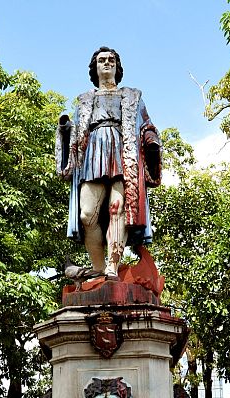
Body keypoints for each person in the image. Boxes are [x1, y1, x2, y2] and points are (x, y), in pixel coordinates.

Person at [57, 47, 161, 280]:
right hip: (93, 152)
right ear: (94, 68)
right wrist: (65, 130)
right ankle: (98, 266)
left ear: (117, 66)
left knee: (117, 209)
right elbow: (73, 134)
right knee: (87, 214)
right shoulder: (85, 100)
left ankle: (113, 266)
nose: (107, 63)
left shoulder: (132, 96)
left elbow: (147, 125)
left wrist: (151, 139)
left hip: (123, 153)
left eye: (111, 60)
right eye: (101, 60)